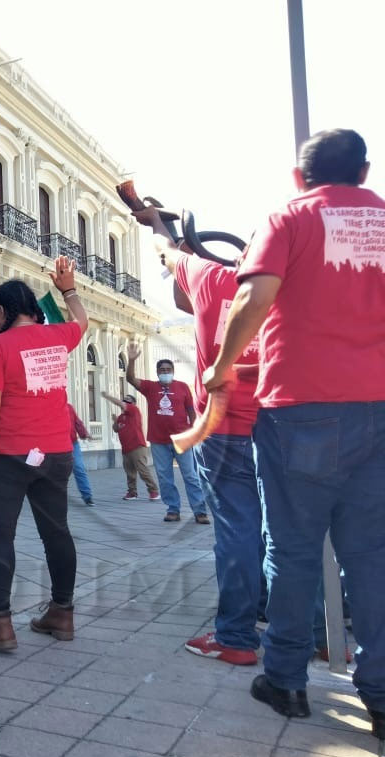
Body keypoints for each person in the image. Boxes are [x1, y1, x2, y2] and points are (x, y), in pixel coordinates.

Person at [204, 129, 385, 735]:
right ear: (364, 171)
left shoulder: (288, 219)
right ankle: (381, 693)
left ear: (298, 177)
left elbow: (253, 298)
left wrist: (221, 366)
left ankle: (285, 681)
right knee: (372, 557)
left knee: (294, 550)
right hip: (379, 407)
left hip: (300, 407)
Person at [135, 206, 264, 666]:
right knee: (291, 534)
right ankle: (314, 632)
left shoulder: (211, 278)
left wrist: (154, 222)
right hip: (277, 423)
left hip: (224, 427)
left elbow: (165, 251)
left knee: (237, 530)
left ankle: (236, 635)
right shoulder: (287, 290)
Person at [0, 258, 87, 653]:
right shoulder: (58, 336)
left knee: (0, 534)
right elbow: (82, 323)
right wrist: (68, 289)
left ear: (1, 312)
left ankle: (0, 624)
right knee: (57, 531)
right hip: (57, 452)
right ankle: (63, 612)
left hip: (10, 455)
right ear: (33, 310)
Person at [126, 349, 209, 523]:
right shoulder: (150, 388)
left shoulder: (183, 387)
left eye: (167, 369)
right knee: (165, 478)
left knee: (190, 476)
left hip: (182, 439)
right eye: (162, 370)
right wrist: (131, 360)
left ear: (172, 371)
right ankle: (173, 509)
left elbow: (190, 410)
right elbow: (131, 379)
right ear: (157, 373)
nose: (165, 372)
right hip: (159, 441)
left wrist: (194, 430)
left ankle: (200, 511)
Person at [101, 392, 159, 500]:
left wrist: (107, 396)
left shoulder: (134, 410)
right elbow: (116, 429)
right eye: (125, 399)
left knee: (143, 471)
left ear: (133, 403)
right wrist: (115, 421)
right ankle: (132, 492)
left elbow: (120, 404)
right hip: (126, 449)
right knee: (130, 473)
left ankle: (154, 491)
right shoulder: (121, 417)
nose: (125, 401)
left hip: (137, 446)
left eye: (128, 400)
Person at [67, 403, 94, 506]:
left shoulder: (69, 407)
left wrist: (84, 433)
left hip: (73, 444)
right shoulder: (48, 407)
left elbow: (77, 422)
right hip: (57, 444)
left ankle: (87, 496)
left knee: (79, 468)